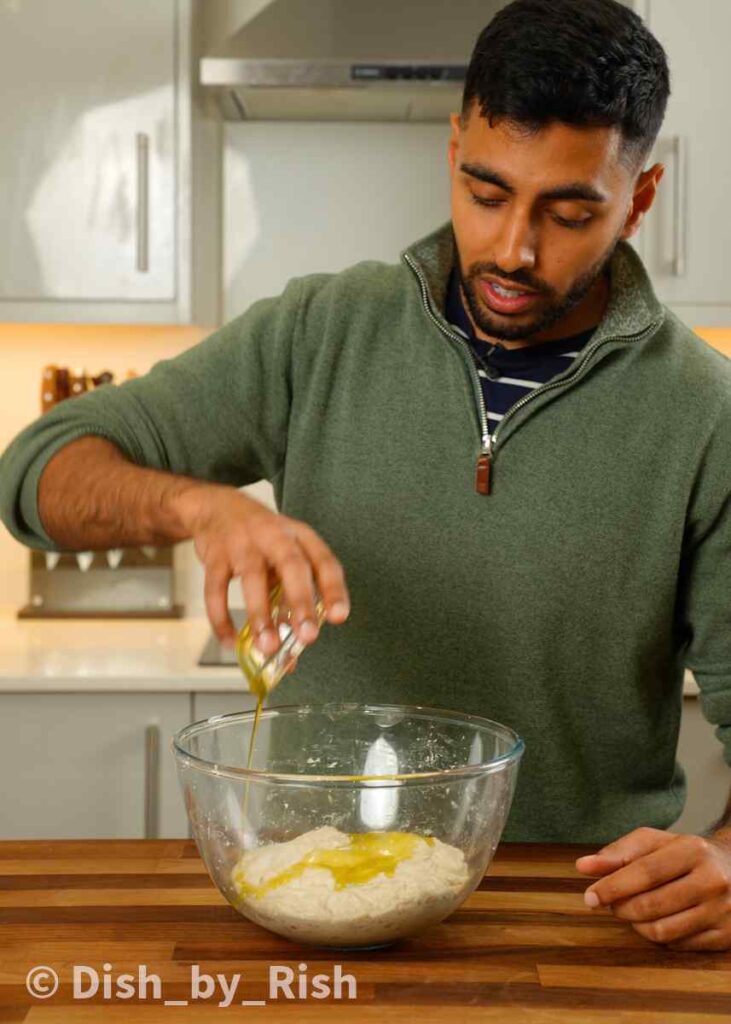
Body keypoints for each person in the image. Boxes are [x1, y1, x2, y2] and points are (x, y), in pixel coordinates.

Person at [3, 0, 731, 950]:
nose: (513, 248)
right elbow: (36, 472)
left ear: (638, 199)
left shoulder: (705, 413)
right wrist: (201, 506)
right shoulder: (319, 332)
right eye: (485, 192)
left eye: (568, 212)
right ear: (452, 150)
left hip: (572, 921)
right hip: (307, 899)